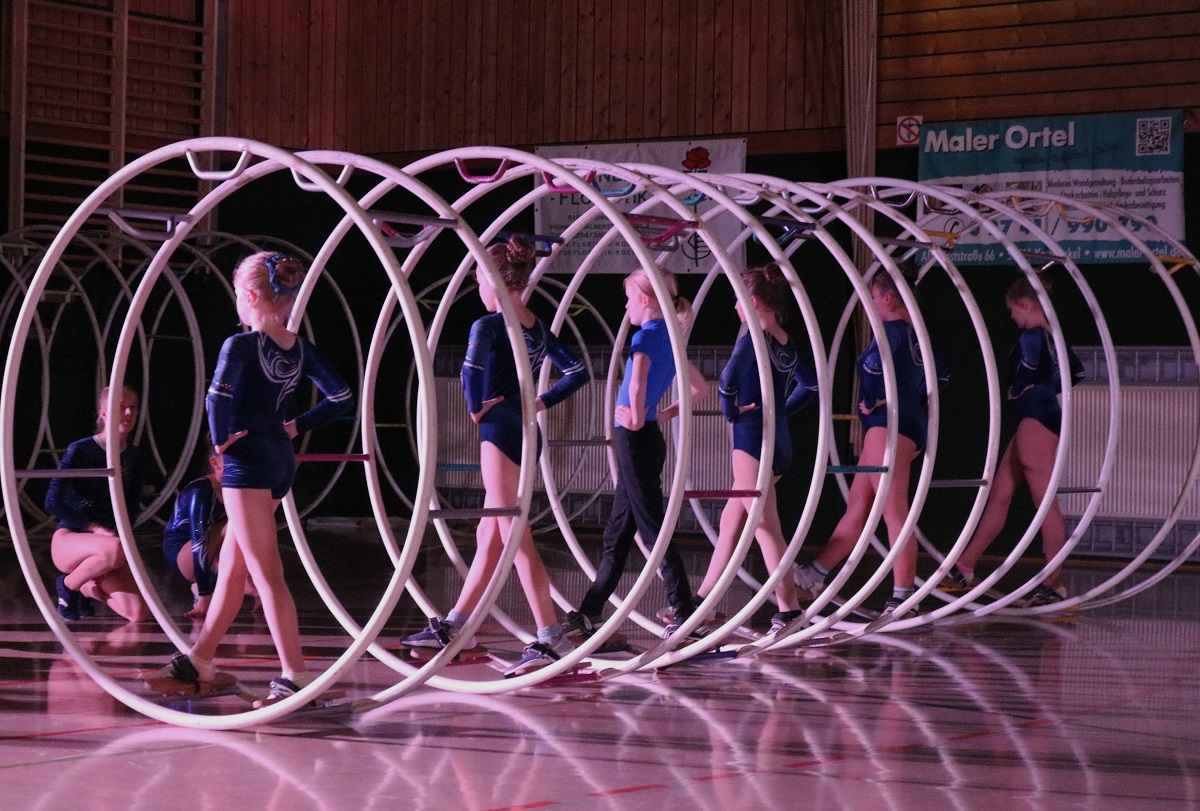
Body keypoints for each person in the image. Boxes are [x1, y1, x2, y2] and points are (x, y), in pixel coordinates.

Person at [147, 251, 354, 704]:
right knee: (235, 567)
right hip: (279, 461)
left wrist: (221, 441)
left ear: (252, 295)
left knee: (266, 572)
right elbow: (341, 396)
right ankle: (200, 659)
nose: (236, 304)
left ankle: (296, 676)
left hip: (246, 465)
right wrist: (296, 426)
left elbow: (216, 399)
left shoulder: (239, 345)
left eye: (238, 295)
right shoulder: (298, 347)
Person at [401, 236, 590, 676]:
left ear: (495, 283)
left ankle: (548, 634)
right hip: (523, 429)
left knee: (513, 534)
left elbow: (471, 371)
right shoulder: (536, 325)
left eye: (481, 280)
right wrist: (541, 402)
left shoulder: (487, 325)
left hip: (499, 431)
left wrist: (474, 407)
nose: (479, 289)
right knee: (492, 535)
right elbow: (577, 371)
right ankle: (457, 622)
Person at [791, 265, 949, 619]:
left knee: (894, 514)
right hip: (905, 426)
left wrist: (876, 398)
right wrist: (905, 398)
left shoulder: (890, 332)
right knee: (859, 507)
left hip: (887, 427)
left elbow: (874, 368)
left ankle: (904, 596)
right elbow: (941, 375)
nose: (873, 306)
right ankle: (814, 573)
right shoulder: (918, 336)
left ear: (888, 298)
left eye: (875, 299)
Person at [562, 267, 710, 642]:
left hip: (636, 440)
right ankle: (589, 611)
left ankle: (683, 611)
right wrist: (658, 414)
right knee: (618, 533)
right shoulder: (671, 338)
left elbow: (641, 381)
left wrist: (636, 415)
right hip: (647, 438)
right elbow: (700, 389)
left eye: (629, 299)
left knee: (651, 530)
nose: (625, 306)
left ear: (644, 300)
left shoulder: (645, 337)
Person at [939, 276, 1084, 606]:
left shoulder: (1033, 336)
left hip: (1036, 423)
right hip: (1035, 420)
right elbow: (1075, 373)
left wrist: (1019, 389)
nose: (1011, 318)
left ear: (1024, 304)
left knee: (1045, 506)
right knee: (1000, 494)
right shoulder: (1054, 337)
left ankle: (1053, 585)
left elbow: (1030, 365)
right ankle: (965, 565)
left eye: (1012, 311)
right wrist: (1043, 389)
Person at [693, 264, 817, 635]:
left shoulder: (753, 339)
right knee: (733, 520)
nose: (733, 307)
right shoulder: (785, 342)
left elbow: (727, 381)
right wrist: (776, 412)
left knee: (765, 527)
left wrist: (732, 413)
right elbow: (809, 387)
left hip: (751, 441)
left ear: (752, 301)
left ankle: (789, 608)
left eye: (737, 299)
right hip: (778, 442)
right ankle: (704, 602)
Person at [45, 385, 151, 623]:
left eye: (132, 408)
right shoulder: (81, 450)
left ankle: (85, 586)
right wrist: (94, 528)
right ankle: (68, 585)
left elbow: (131, 506)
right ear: (103, 414)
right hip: (71, 540)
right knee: (113, 550)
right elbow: (52, 502)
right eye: (121, 408)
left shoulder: (135, 456)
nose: (128, 414)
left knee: (138, 613)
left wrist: (121, 535)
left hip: (109, 546)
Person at [161, 448, 228, 619]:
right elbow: (199, 541)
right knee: (234, 524)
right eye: (232, 463)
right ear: (215, 463)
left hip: (210, 552)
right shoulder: (200, 491)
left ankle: (207, 585)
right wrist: (205, 595)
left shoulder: (235, 487)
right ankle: (202, 588)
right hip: (183, 554)